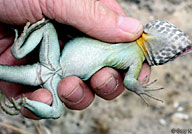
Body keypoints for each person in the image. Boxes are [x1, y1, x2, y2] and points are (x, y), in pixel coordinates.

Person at [0, 0, 151, 119]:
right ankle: (18, 52)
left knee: (55, 111)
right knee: (48, 28)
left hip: (55, 74)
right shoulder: (131, 45)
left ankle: (24, 101)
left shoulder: (136, 56)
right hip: (54, 63)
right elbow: (129, 82)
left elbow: (129, 81)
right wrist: (139, 88)